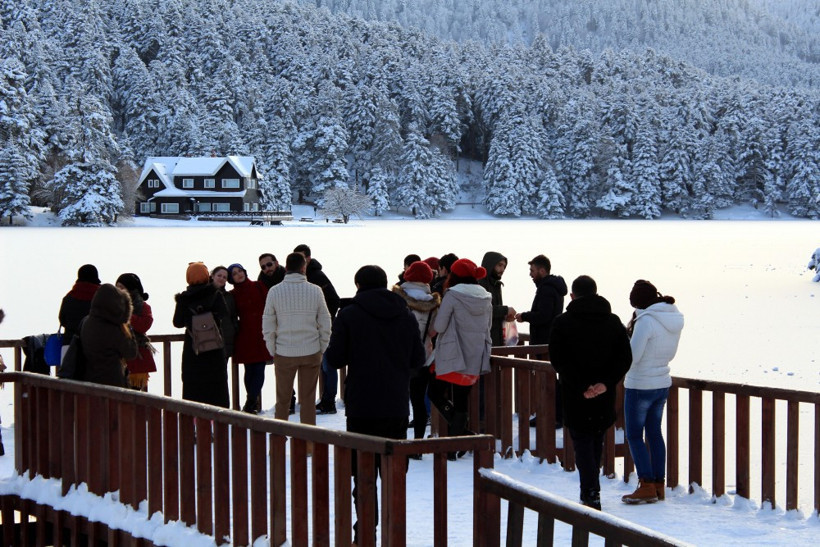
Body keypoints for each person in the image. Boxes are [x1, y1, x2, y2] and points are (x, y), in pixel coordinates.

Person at [325, 265, 425, 544]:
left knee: (363, 474)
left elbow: (334, 359)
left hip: (362, 405)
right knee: (394, 475)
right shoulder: (405, 315)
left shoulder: (349, 315)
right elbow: (418, 360)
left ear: (358, 284)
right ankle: (395, 535)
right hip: (395, 405)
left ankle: (365, 533)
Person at [548, 275, 632, 510]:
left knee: (582, 440)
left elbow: (558, 359)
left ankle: (590, 491)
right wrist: (605, 383)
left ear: (572, 296)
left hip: (576, 394)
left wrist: (582, 385)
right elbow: (625, 357)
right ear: (596, 293)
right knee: (596, 436)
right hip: (604, 394)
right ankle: (592, 488)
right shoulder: (613, 322)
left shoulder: (562, 323)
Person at [621, 280, 684, 504]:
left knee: (635, 435)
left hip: (640, 384)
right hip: (661, 382)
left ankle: (646, 484)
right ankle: (658, 485)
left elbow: (633, 356)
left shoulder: (646, 321)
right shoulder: (672, 318)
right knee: (654, 433)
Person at [429, 258, 493, 456]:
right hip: (475, 355)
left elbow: (439, 326)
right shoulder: (486, 298)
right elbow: (488, 326)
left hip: (452, 354)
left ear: (454, 276)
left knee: (435, 393)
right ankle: (456, 445)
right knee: (461, 400)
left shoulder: (452, 295)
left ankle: (460, 435)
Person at [262, 252, 332, 424]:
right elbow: (325, 322)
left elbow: (268, 324)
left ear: (286, 268)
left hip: (284, 351)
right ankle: (307, 444)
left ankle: (278, 445)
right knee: (308, 401)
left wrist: (273, 349)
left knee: (283, 400)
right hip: (311, 350)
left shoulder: (274, 291)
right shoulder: (315, 290)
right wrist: (321, 347)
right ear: (304, 267)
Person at [514, 255, 567, 428]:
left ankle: (553, 416)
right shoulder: (553, 288)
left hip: (545, 342)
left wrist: (524, 316)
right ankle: (554, 415)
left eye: (532, 270)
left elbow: (544, 315)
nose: (531, 274)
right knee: (551, 379)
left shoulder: (546, 289)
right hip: (551, 340)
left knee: (547, 379)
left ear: (542, 270)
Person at [392, 260, 441, 447]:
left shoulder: (397, 297)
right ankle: (419, 443)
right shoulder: (433, 302)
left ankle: (399, 441)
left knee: (400, 400)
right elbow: (433, 331)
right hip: (423, 357)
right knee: (419, 401)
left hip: (399, 357)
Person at [173, 262, 230, 408]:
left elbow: (177, 322)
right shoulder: (215, 294)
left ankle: (195, 423)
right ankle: (218, 423)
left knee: (194, 386)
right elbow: (224, 313)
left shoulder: (183, 299)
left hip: (194, 349)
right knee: (216, 386)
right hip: (214, 347)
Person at [293, 244, 341, 415]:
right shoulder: (302, 277)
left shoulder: (316, 275)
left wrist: (324, 320)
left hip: (323, 329)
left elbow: (334, 299)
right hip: (312, 329)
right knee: (323, 366)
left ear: (308, 259)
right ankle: (326, 400)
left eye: (302, 257)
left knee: (328, 365)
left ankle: (329, 402)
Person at [228, 263, 272, 414]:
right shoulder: (232, 294)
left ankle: (251, 401)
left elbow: (270, 305)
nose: (239, 274)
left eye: (240, 271)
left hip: (262, 332)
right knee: (249, 369)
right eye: (234, 273)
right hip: (245, 333)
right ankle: (251, 401)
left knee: (260, 367)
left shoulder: (259, 286)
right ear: (231, 278)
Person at [81, 284, 138, 388]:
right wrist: (127, 325)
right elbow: (131, 352)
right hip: (112, 382)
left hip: (88, 380)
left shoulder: (86, 322)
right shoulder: (113, 329)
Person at [115, 273, 157, 391]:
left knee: (136, 394)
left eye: (122, 287)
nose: (118, 290)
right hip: (117, 354)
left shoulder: (143, 307)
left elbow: (144, 325)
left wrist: (126, 314)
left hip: (137, 356)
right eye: (117, 287)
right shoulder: (112, 304)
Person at [59, 264, 101, 359]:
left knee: (67, 373)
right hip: (95, 347)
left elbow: (62, 320)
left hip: (69, 344)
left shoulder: (68, 297)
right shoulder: (101, 298)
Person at [478, 252, 516, 347]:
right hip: (483, 340)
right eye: (499, 265)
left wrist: (505, 316)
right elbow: (484, 309)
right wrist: (506, 310)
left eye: (504, 266)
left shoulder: (496, 284)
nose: (502, 269)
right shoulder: (480, 284)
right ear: (491, 264)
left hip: (495, 340)